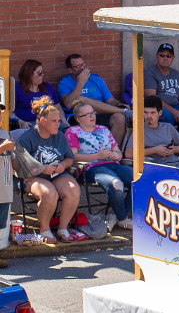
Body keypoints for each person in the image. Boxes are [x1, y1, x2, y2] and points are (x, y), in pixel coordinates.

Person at [18, 97, 81, 243]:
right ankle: (45, 230)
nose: (58, 124)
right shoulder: (27, 138)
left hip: (57, 174)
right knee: (49, 192)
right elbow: (18, 164)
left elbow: (69, 158)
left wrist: (63, 165)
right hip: (33, 176)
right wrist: (40, 168)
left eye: (59, 121)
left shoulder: (59, 136)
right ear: (42, 121)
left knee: (73, 189)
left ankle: (63, 229)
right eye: (54, 121)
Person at [66, 100, 133, 231]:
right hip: (91, 168)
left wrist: (117, 155)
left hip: (113, 164)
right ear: (78, 119)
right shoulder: (72, 131)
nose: (92, 116)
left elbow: (117, 151)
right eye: (87, 115)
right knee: (116, 184)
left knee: (141, 180)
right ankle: (123, 219)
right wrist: (97, 156)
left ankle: (117, 215)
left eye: (93, 113)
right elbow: (73, 157)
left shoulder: (104, 129)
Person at [57, 53, 128, 146]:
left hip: (100, 114)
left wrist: (119, 104)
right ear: (70, 70)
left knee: (119, 118)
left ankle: (111, 153)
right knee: (83, 101)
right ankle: (124, 111)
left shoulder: (96, 79)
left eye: (83, 64)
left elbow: (111, 100)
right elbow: (68, 104)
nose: (82, 68)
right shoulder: (64, 83)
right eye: (78, 66)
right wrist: (81, 82)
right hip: (79, 117)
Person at [144, 43, 179, 149]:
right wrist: (172, 111)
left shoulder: (176, 74)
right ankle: (166, 148)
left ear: (173, 58)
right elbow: (152, 98)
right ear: (157, 56)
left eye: (169, 56)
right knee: (167, 115)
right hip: (158, 108)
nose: (165, 58)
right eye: (162, 55)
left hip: (176, 107)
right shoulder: (149, 73)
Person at [124, 96, 179, 170]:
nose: (148, 116)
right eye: (145, 112)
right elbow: (128, 154)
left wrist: (174, 149)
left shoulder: (168, 127)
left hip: (176, 164)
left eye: (152, 112)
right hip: (155, 167)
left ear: (160, 113)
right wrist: (154, 150)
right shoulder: (140, 130)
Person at [14, 60, 66, 129]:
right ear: (29, 74)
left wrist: (64, 121)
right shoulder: (17, 89)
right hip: (29, 123)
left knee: (66, 130)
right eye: (39, 73)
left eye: (42, 72)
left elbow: (58, 107)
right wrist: (20, 122)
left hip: (50, 122)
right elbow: (9, 112)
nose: (42, 75)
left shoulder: (47, 87)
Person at [0, 122, 11, 263]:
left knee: (0, 222)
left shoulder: (3, 132)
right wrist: (2, 147)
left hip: (4, 184)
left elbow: (11, 157)